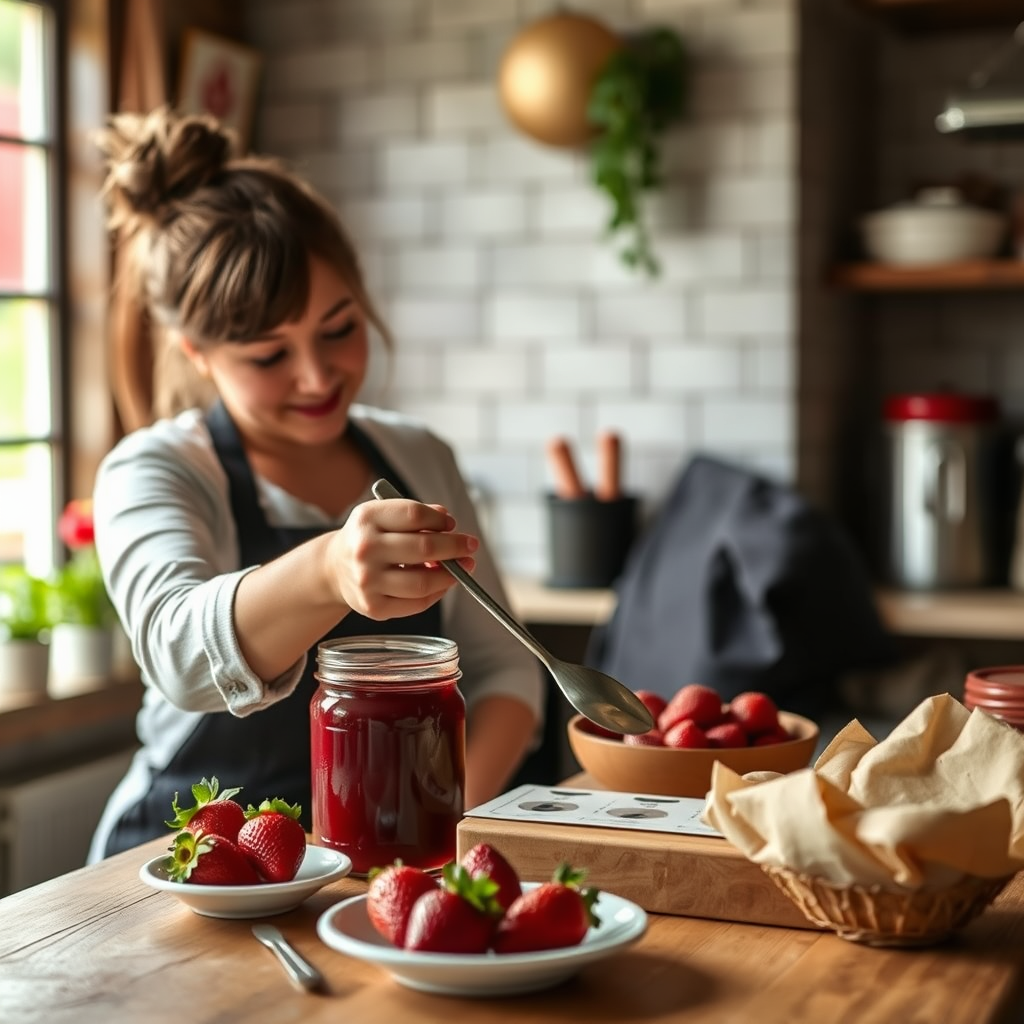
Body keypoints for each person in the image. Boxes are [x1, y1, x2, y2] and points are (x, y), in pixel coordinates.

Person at [86, 107, 544, 861]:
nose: (317, 375)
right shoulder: (156, 469)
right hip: (189, 870)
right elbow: (177, 654)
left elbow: (501, 665)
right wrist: (330, 569)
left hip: (388, 862)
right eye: (269, 356)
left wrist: (449, 821)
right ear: (197, 353)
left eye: (339, 329)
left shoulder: (419, 456)